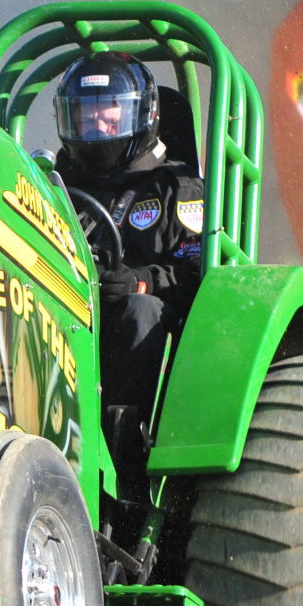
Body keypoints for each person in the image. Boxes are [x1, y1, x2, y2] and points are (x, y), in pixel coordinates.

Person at [53, 52, 204, 479]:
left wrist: (139, 282)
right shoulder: (50, 187)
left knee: (143, 311)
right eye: (86, 111)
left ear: (143, 112)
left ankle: (126, 459)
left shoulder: (179, 187)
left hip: (137, 327)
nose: (98, 120)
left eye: (110, 109)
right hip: (61, 310)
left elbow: (197, 278)